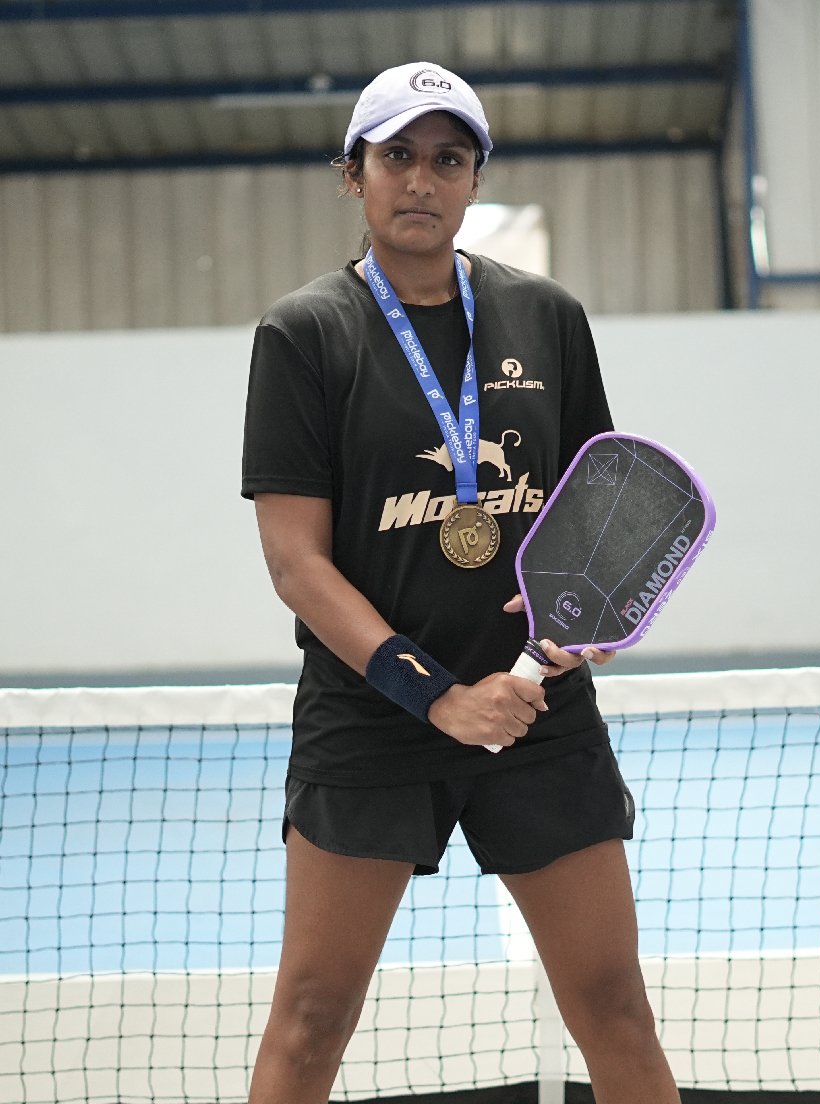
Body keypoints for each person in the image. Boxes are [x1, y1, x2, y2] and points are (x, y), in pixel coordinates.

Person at [241, 61, 679, 1104]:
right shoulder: (304, 334)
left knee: (615, 1006)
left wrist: (590, 616)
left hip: (538, 717)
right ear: (353, 174)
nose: (421, 180)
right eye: (396, 155)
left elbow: (600, 506)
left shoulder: (547, 316)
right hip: (373, 721)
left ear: (475, 178)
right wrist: (436, 695)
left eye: (448, 158)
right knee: (311, 1018)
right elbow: (296, 564)